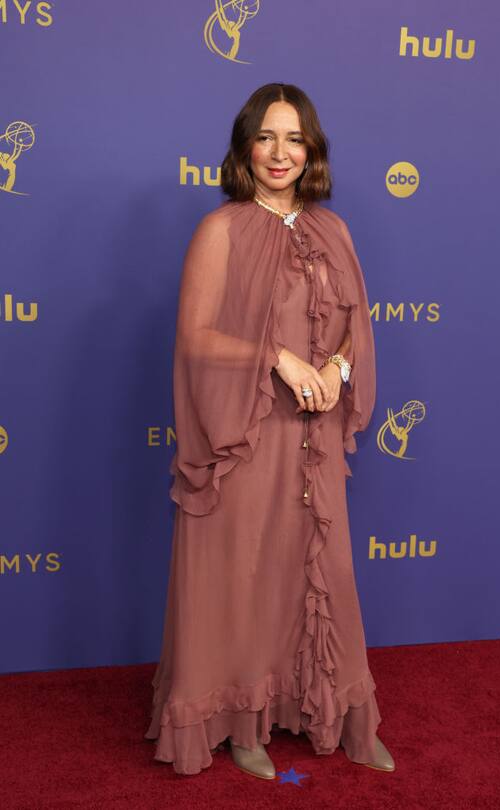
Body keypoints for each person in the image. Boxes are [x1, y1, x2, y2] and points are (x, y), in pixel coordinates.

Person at [144, 82, 396, 779]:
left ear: (311, 148)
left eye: (294, 138)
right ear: (245, 146)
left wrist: (337, 371)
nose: (280, 153)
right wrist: (279, 359)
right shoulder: (220, 230)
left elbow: (356, 327)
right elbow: (195, 339)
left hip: (313, 437)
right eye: (266, 137)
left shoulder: (334, 231)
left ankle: (339, 714)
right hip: (247, 435)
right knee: (245, 574)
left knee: (317, 572)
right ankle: (240, 723)